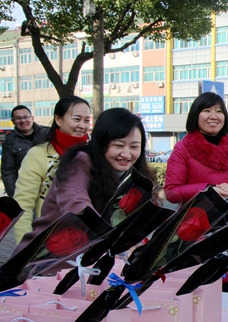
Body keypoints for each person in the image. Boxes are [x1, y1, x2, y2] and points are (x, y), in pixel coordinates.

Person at [13, 108, 155, 254]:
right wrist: (108, 237)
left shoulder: (134, 176)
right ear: (101, 142)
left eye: (134, 147)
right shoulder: (79, 162)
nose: (126, 154)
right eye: (118, 145)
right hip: (46, 257)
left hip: (91, 255)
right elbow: (75, 201)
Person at [164, 92, 228, 293]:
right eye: (206, 110)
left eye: (219, 111)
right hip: (194, 231)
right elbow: (171, 192)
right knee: (195, 294)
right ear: (196, 115)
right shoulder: (183, 148)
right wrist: (209, 190)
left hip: (227, 230)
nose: (213, 116)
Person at [13, 97, 91, 244]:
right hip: (49, 242)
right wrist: (25, 248)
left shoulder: (94, 154)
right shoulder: (38, 154)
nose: (82, 125)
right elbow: (22, 205)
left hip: (86, 240)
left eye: (87, 120)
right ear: (58, 119)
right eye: (76, 119)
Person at [1, 105, 50, 197]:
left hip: (50, 188)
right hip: (26, 190)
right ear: (13, 121)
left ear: (32, 118)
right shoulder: (10, 141)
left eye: (25, 117)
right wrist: (15, 196)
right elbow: (8, 171)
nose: (23, 120)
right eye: (18, 118)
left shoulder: (48, 133)